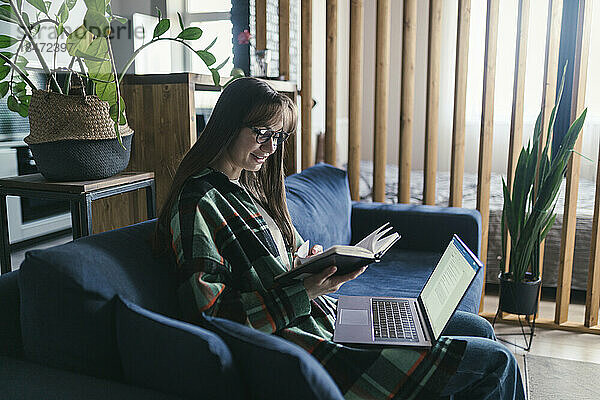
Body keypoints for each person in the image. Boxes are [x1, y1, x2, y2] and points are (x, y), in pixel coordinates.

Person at [154, 77, 525, 399]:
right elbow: (209, 314)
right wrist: (306, 290)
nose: (271, 148)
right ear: (228, 125)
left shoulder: (246, 188)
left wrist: (305, 261)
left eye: (278, 136)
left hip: (326, 319)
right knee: (499, 363)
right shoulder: (199, 201)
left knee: (477, 327)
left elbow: (269, 267)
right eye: (261, 133)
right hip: (303, 346)